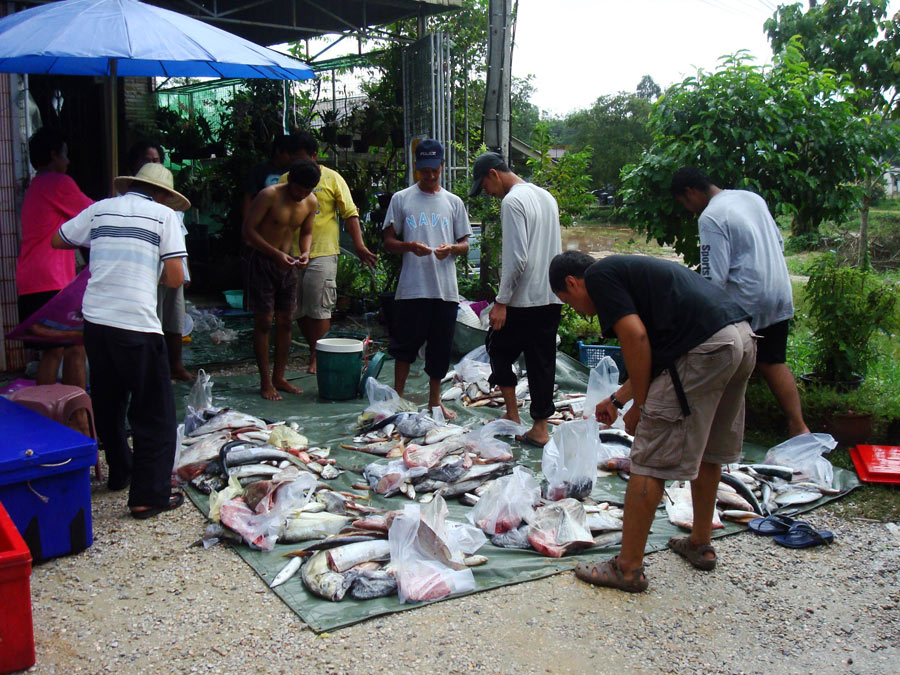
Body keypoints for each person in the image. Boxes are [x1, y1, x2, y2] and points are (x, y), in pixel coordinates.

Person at [549, 251, 755, 593]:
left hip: (705, 348)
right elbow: (655, 352)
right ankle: (700, 542)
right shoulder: (630, 275)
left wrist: (642, 407)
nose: (573, 308)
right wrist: (618, 400)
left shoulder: (600, 278)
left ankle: (627, 568)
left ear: (572, 282)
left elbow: (636, 338)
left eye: (566, 300)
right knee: (709, 449)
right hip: (741, 339)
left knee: (648, 461)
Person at [51, 163, 189, 519]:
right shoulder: (164, 217)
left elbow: (58, 238)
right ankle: (149, 496)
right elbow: (175, 278)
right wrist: (143, 270)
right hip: (137, 325)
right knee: (153, 413)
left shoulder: (100, 208)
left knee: (110, 401)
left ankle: (120, 473)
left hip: (96, 322)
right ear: (162, 195)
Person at [670, 167, 810, 437]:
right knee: (772, 361)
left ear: (690, 192)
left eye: (685, 203)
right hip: (778, 289)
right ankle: (799, 427)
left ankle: (719, 431)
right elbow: (779, 242)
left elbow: (714, 278)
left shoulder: (711, 216)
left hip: (747, 300)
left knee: (728, 362)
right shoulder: (750, 198)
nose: (689, 210)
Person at [469, 151, 562, 448]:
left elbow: (517, 259)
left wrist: (501, 301)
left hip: (523, 300)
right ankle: (540, 427)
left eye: (485, 186)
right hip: (551, 296)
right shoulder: (546, 197)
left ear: (494, 174)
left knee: (497, 348)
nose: (488, 193)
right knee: (542, 362)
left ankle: (512, 414)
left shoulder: (512, 202)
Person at [383, 139, 471, 419]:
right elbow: (388, 240)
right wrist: (409, 246)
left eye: (434, 170)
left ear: (442, 167)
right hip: (411, 288)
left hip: (444, 290)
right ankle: (396, 399)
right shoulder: (401, 199)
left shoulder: (453, 202)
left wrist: (452, 249)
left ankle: (435, 402)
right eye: (424, 170)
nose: (430, 175)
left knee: (440, 349)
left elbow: (465, 243)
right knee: (403, 348)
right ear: (416, 168)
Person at [279, 132, 378, 373]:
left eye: (302, 158)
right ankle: (316, 348)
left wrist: (360, 245)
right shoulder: (284, 179)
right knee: (298, 308)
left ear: (314, 156)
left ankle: (318, 355)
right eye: (294, 160)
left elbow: (350, 214)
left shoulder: (332, 179)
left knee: (320, 306)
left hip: (323, 252)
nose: (298, 164)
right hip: (289, 254)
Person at [16, 128, 92, 399]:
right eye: (65, 155)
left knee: (53, 350)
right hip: (50, 280)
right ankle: (78, 412)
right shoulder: (58, 183)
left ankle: (43, 414)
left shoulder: (37, 185)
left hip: (31, 279)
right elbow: (93, 212)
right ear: (53, 156)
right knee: (74, 346)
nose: (68, 162)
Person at [242, 159, 320, 400]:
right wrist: (274, 254)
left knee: (286, 320)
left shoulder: (310, 201)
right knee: (264, 320)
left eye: (307, 190)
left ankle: (279, 377)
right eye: (299, 189)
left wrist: (305, 252)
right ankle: (265, 381)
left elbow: (306, 232)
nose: (302, 194)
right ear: (290, 182)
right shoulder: (269, 195)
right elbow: (248, 231)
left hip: (288, 263)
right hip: (264, 261)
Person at [126, 139, 194, 381]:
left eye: (157, 161)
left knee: (174, 320)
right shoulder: (127, 201)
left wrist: (184, 271)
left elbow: (180, 239)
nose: (154, 165)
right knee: (151, 322)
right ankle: (152, 371)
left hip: (173, 269)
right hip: (147, 272)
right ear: (136, 164)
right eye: (148, 161)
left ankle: (175, 366)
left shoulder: (170, 203)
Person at [242, 134, 304, 220]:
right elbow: (248, 197)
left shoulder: (295, 171)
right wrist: (247, 222)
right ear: (278, 151)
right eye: (289, 154)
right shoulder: (259, 170)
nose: (292, 158)